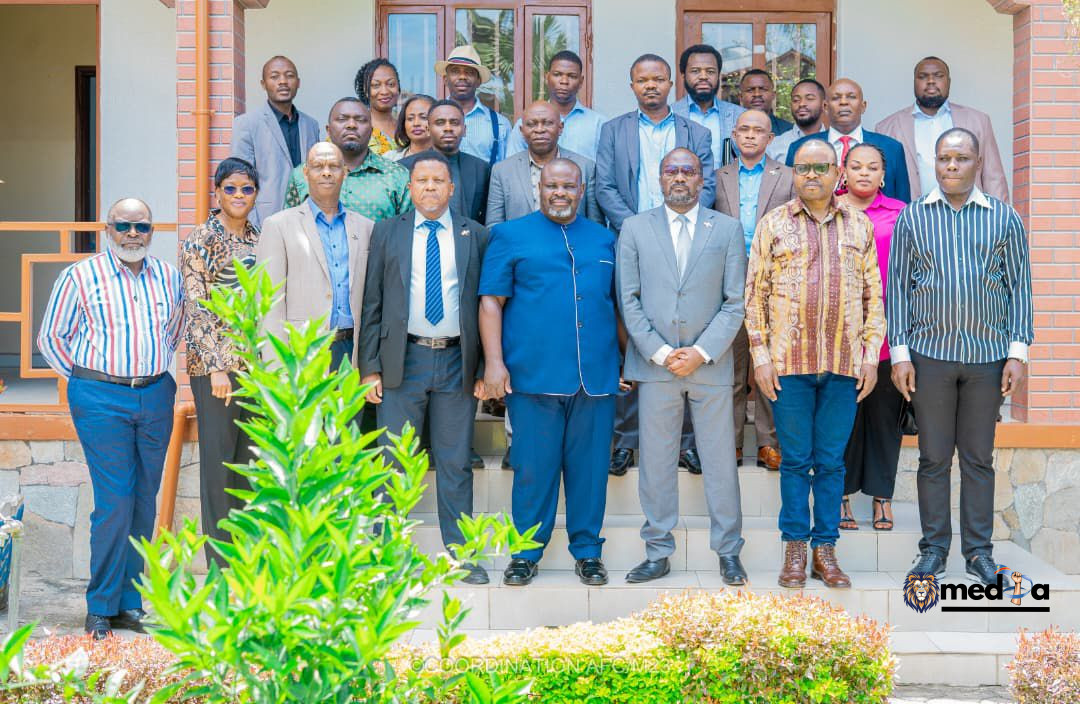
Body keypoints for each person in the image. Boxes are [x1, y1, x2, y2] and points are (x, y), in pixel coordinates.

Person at [889, 128, 1032, 587]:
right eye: (944, 158)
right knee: (933, 458)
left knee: (977, 459)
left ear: (978, 163)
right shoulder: (913, 217)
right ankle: (933, 549)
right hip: (928, 356)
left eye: (962, 158)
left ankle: (978, 553)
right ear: (934, 163)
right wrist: (899, 354)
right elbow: (898, 289)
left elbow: (1019, 287)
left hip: (987, 358)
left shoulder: (1004, 218)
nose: (952, 166)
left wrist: (1017, 352)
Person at [38, 198, 184, 640]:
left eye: (141, 226)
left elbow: (173, 331)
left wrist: (145, 369)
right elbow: (51, 338)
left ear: (152, 230)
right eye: (123, 226)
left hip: (155, 393)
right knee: (114, 501)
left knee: (144, 500)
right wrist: (89, 380)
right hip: (101, 398)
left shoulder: (169, 276)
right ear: (108, 229)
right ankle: (100, 605)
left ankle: (129, 604)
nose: (132, 234)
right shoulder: (80, 276)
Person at [745, 139, 885, 589]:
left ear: (837, 172)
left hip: (844, 365)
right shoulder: (773, 224)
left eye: (821, 167)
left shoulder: (859, 225)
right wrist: (761, 358)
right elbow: (754, 296)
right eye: (803, 167)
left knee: (830, 462)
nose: (811, 175)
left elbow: (874, 295)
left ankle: (825, 550)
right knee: (794, 461)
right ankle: (794, 549)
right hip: (789, 365)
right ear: (793, 173)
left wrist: (870, 358)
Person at [479, 159, 620, 587]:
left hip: (594, 378)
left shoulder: (604, 239)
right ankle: (525, 553)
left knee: (590, 472)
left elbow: (617, 307)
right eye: (552, 185)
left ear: (582, 190)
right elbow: (491, 302)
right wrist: (494, 363)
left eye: (569, 186)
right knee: (533, 470)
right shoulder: (509, 235)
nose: (560, 192)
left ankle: (588, 552)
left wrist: (623, 363)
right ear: (538, 188)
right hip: (532, 376)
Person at [359, 152, 490, 584]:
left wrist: (484, 368)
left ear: (452, 188)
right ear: (410, 187)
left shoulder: (476, 234)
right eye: (422, 180)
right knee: (394, 462)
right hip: (403, 361)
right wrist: (369, 368)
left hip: (456, 361)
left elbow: (485, 305)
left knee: (455, 463)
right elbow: (372, 302)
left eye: (438, 180)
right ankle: (386, 558)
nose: (430, 187)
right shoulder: (387, 232)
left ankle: (462, 557)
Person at [619, 148, 748, 586]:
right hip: (655, 366)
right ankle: (657, 551)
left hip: (710, 365)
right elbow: (628, 299)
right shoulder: (635, 228)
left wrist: (701, 351)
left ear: (701, 179)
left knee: (719, 463)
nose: (679, 177)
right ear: (659, 178)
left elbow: (735, 301)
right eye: (671, 170)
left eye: (687, 171)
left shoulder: (726, 229)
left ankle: (728, 551)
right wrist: (659, 352)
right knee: (656, 464)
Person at [596, 53, 714, 477]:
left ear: (670, 84)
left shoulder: (696, 132)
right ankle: (627, 440)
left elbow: (706, 185)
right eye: (642, 80)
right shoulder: (614, 131)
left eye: (658, 79)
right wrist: (639, 230)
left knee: (684, 334)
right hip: (631, 240)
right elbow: (604, 187)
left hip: (685, 242)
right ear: (632, 85)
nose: (651, 86)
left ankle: (687, 443)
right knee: (632, 336)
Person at [180, 158, 261, 568]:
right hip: (217, 371)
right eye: (230, 188)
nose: (238, 195)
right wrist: (216, 368)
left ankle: (245, 560)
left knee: (248, 465)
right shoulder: (201, 239)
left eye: (246, 189)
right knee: (219, 466)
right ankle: (220, 566)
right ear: (217, 193)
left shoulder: (259, 238)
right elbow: (197, 308)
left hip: (255, 368)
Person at [713, 109, 794, 471]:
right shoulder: (717, 177)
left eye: (757, 130)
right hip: (728, 280)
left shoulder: (787, 176)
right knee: (731, 365)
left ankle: (767, 443)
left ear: (770, 138)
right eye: (743, 129)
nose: (749, 135)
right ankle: (730, 443)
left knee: (768, 364)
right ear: (734, 135)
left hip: (773, 279)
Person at [835, 144, 907, 533]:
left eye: (873, 167)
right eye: (856, 166)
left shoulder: (901, 214)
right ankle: (840, 495)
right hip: (839, 333)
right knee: (842, 419)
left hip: (887, 332)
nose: (864, 172)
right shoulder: (830, 210)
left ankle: (882, 497)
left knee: (883, 417)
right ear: (843, 172)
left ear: (883, 175)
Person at [257, 143, 374, 371]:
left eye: (334, 166)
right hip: (302, 353)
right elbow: (270, 304)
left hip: (353, 351)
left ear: (344, 172)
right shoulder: (278, 226)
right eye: (318, 166)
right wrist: (277, 368)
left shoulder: (366, 228)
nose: (326, 172)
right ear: (306, 173)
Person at [875, 56, 1009, 202]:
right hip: (912, 212)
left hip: (969, 212)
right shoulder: (887, 128)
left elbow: (993, 177)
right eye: (923, 76)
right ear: (914, 82)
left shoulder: (978, 121)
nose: (931, 81)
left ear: (949, 82)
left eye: (938, 76)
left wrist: (1001, 214)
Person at [284, 97, 411, 223]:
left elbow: (409, 230)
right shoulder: (302, 174)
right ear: (328, 130)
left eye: (360, 120)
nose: (351, 125)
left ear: (371, 131)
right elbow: (288, 226)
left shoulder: (396, 175)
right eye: (342, 119)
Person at [786, 78, 911, 203]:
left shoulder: (892, 148)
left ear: (863, 106)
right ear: (825, 107)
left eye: (851, 97)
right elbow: (789, 200)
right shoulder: (800, 148)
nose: (843, 102)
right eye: (836, 98)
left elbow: (903, 203)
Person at [231, 55, 320, 227]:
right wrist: (252, 226)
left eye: (289, 75)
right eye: (274, 76)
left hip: (308, 220)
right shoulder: (246, 124)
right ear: (263, 84)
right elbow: (239, 180)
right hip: (266, 221)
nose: (283, 81)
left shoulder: (311, 125)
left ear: (298, 82)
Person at [488, 100, 602, 225]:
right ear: (522, 131)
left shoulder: (585, 167)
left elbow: (595, 225)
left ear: (560, 128)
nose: (540, 130)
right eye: (531, 124)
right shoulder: (502, 171)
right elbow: (494, 226)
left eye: (547, 123)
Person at [400, 100, 490, 224]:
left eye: (454, 123)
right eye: (440, 123)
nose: (448, 128)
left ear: (464, 130)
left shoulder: (481, 169)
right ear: (428, 129)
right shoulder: (405, 167)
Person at [507, 50, 606, 161]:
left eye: (572, 76)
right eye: (557, 74)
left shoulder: (599, 125)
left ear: (581, 81)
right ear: (547, 77)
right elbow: (513, 167)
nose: (564, 81)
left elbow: (604, 168)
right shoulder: (526, 123)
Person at [672, 44, 745, 170]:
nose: (703, 77)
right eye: (695, 71)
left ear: (718, 75)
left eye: (710, 71)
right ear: (683, 76)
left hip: (725, 182)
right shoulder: (670, 115)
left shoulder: (739, 115)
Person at [436, 45, 511, 165]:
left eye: (469, 72)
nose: (462, 77)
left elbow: (506, 169)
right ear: (445, 79)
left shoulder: (500, 124)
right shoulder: (430, 120)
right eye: (455, 71)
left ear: (478, 81)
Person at [766, 79, 827, 162]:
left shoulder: (836, 143)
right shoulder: (775, 145)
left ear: (824, 105)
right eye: (796, 100)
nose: (801, 104)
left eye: (809, 98)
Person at [355, 58, 401, 156]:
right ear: (366, 91)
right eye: (376, 85)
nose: (384, 91)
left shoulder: (407, 127)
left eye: (391, 84)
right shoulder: (356, 128)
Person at [739, 69, 792, 137]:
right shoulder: (730, 129)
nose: (757, 94)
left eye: (763, 89)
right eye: (750, 90)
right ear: (741, 97)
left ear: (773, 95)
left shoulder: (789, 131)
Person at [385, 93, 434, 162]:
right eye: (410, 118)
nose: (416, 123)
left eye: (423, 117)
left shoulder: (447, 158)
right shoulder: (389, 158)